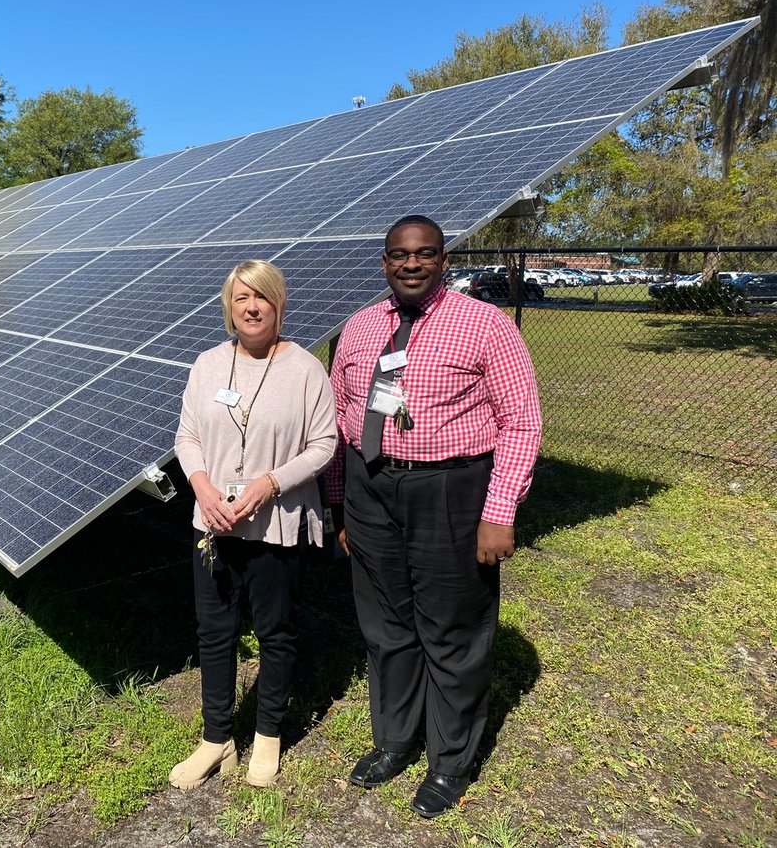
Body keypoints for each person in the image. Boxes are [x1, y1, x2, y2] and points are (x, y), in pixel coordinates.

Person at [326, 214, 541, 817]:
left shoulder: (486, 326)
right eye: (399, 255)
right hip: (371, 490)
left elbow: (521, 422)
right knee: (386, 626)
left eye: (424, 254)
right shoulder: (361, 328)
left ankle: (451, 760)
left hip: (449, 490)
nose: (411, 264)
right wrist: (343, 502)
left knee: (451, 629)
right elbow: (344, 416)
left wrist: (499, 511)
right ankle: (395, 739)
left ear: (444, 260)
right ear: (385, 262)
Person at [171, 259, 337, 789]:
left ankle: (267, 736)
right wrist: (201, 486)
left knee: (275, 632)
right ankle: (216, 740)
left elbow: (325, 445)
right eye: (241, 298)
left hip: (276, 525)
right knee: (214, 634)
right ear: (229, 307)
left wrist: (270, 483)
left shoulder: (306, 370)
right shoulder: (206, 365)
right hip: (214, 525)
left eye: (261, 296)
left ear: (278, 303)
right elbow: (187, 437)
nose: (251, 306)